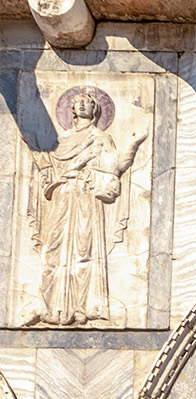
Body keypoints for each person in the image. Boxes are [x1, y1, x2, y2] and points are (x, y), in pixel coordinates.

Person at [22, 90, 146, 328]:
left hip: (86, 198)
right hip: (61, 197)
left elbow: (117, 165)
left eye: (87, 103)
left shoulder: (99, 138)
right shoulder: (61, 140)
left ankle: (83, 307)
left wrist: (133, 143)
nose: (81, 106)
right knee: (53, 249)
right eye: (77, 103)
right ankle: (48, 307)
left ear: (95, 110)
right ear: (71, 110)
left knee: (83, 250)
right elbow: (49, 165)